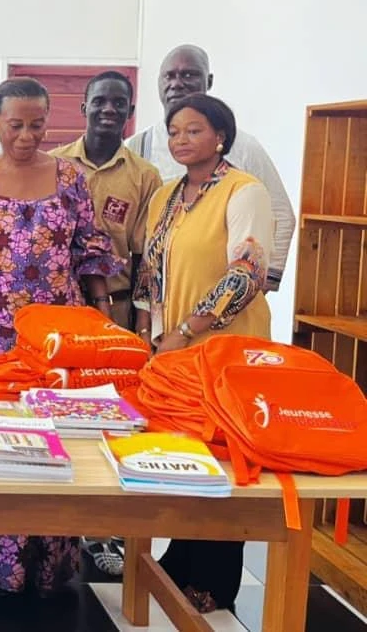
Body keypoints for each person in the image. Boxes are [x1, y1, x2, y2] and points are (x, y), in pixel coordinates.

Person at [0, 78, 122, 595]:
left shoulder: (70, 177)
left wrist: (103, 318)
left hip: (59, 336)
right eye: (15, 125)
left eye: (37, 125)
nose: (25, 136)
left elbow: (90, 250)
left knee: (56, 441)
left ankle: (51, 563)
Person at [134, 95, 273, 613]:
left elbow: (248, 273)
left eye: (194, 130)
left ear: (221, 137)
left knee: (225, 462)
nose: (181, 140)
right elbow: (150, 272)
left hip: (226, 352)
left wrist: (188, 328)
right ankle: (182, 556)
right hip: (174, 354)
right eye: (174, 131)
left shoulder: (244, 190)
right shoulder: (167, 195)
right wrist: (149, 331)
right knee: (187, 461)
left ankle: (216, 580)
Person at [50, 70, 161, 577]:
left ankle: (101, 533)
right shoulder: (54, 165)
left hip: (112, 310)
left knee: (107, 421)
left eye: (119, 103)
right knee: (56, 416)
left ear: (130, 111)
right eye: (100, 101)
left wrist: (139, 325)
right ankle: (55, 528)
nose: (109, 110)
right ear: (84, 107)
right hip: (58, 312)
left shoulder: (144, 176)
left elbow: (146, 260)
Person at [126, 44, 293, 291]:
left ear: (209, 80)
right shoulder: (138, 146)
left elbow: (281, 213)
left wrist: (264, 282)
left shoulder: (244, 148)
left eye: (189, 74)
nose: (177, 84)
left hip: (225, 291)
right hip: (164, 294)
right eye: (169, 76)